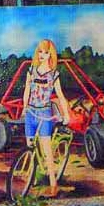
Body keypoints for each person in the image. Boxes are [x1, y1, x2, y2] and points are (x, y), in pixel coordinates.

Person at [22, 39, 70, 198]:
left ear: (51, 55)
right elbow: (27, 89)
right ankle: (33, 178)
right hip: (30, 113)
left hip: (44, 114)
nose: (42, 55)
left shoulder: (54, 75)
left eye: (46, 52)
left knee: (47, 151)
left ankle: (53, 183)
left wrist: (66, 114)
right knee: (30, 147)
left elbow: (61, 96)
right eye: (40, 51)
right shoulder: (31, 70)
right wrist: (24, 106)